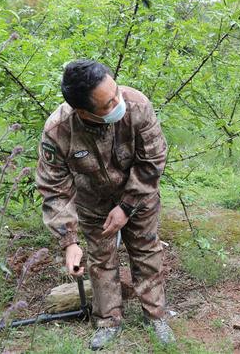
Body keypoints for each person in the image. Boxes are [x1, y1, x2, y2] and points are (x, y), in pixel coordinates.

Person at [36, 60, 174, 350]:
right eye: (108, 102)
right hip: (93, 202)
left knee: (147, 250)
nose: (118, 101)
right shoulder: (58, 131)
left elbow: (153, 161)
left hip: (139, 193)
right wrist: (69, 241)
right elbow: (54, 189)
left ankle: (156, 316)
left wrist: (126, 207)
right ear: (83, 111)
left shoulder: (137, 105)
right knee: (100, 260)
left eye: (116, 93)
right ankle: (108, 321)